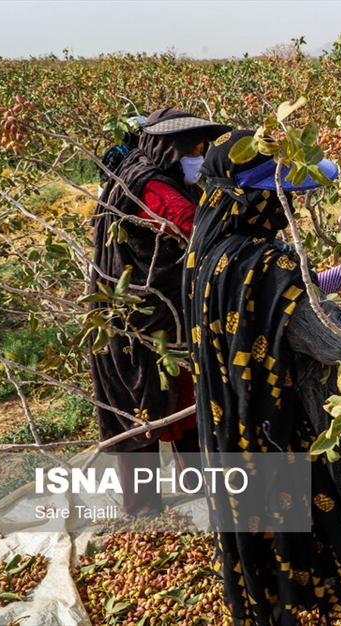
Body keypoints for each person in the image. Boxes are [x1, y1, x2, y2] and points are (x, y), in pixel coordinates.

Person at [183, 129, 341, 625]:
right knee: (315, 533)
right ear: (261, 201)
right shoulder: (273, 263)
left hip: (232, 423)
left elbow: (257, 305)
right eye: (283, 198)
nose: (290, 209)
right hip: (285, 426)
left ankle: (274, 602)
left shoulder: (207, 248)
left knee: (259, 525)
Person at [88, 107, 231, 518]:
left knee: (181, 399)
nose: (199, 157)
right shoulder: (151, 187)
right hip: (140, 321)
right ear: (168, 150)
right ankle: (145, 513)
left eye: (204, 148)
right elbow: (193, 225)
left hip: (160, 317)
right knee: (142, 409)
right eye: (193, 149)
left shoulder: (145, 170)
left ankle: (198, 497)